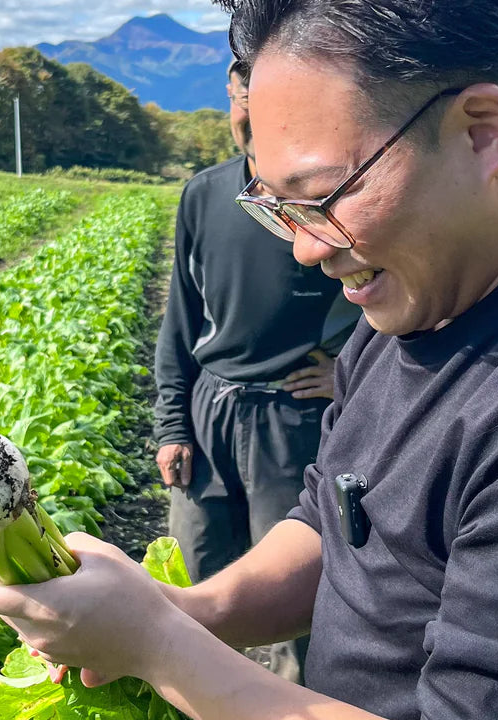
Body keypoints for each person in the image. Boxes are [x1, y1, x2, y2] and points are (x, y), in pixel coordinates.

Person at [0, 2, 498, 718]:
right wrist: (194, 608)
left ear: (482, 132)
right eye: (275, 203)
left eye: (322, 196)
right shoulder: (428, 304)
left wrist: (158, 645)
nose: (301, 247)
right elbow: (341, 518)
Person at [152, 60, 360, 683]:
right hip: (209, 410)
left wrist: (345, 373)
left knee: (293, 593)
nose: (253, 115)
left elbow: (386, 295)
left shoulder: (327, 197)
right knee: (198, 576)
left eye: (270, 99)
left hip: (291, 418)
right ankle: (195, 692)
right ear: (231, 100)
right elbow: (181, 320)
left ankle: (293, 698)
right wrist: (171, 425)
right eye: (244, 97)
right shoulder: (205, 193)